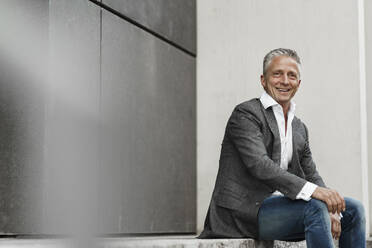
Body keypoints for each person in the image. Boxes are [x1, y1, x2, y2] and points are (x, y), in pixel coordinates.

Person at [198, 48, 366, 248]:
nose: (285, 81)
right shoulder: (246, 114)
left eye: (291, 75)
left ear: (299, 83)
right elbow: (260, 165)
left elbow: (311, 174)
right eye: (277, 74)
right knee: (314, 207)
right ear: (263, 80)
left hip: (278, 210)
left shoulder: (299, 127)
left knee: (353, 209)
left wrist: (331, 205)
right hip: (241, 214)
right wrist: (318, 194)